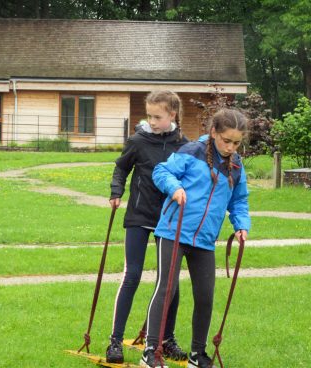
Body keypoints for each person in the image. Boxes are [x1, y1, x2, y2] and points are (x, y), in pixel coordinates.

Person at [140, 109, 251, 368]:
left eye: (236, 143)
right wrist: (174, 187)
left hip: (204, 240)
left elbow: (239, 201)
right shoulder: (192, 151)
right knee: (166, 289)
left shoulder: (236, 165)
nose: (230, 147)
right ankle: (152, 352)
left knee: (205, 296)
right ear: (214, 133)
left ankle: (197, 355)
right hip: (173, 231)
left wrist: (241, 225)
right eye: (226, 141)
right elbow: (161, 172)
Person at [106, 90, 189, 364]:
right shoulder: (138, 141)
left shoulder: (183, 144)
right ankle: (115, 341)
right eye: (149, 115)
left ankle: (166, 339)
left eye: (158, 116)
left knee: (169, 282)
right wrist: (116, 191)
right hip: (139, 215)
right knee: (133, 274)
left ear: (172, 115)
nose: (152, 121)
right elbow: (121, 168)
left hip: (168, 218)